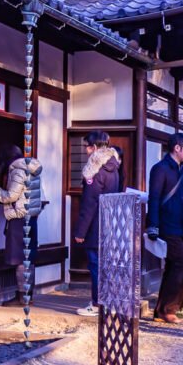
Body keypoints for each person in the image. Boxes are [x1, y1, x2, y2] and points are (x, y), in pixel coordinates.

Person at [146, 132, 183, 323]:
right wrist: (152, 225)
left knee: (172, 267)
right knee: (181, 264)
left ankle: (161, 311)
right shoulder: (160, 169)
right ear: (177, 148)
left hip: (180, 227)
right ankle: (169, 309)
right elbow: (153, 198)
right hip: (166, 225)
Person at [72, 131, 122, 317]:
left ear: (94, 148)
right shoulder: (114, 168)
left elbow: (89, 202)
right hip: (109, 223)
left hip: (95, 226)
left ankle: (97, 304)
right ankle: (108, 302)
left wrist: (80, 231)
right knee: (106, 266)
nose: (85, 150)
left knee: (95, 266)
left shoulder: (95, 170)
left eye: (88, 146)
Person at [0, 145, 42, 306]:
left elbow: (11, 196)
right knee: (28, 259)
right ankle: (28, 296)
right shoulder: (31, 169)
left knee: (20, 259)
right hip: (30, 218)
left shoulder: (17, 170)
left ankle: (21, 298)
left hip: (19, 219)